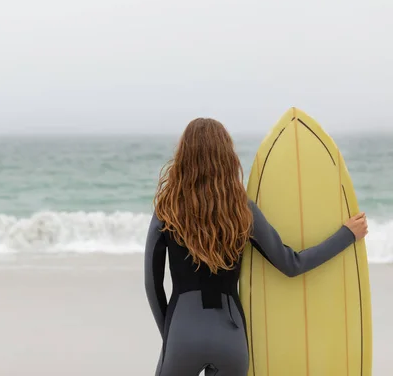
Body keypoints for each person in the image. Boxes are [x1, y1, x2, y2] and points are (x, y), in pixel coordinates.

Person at [144, 118, 368, 376]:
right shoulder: (242, 210)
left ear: (183, 155)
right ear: (227, 156)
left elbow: (152, 284)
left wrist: (171, 336)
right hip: (231, 340)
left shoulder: (167, 209)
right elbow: (291, 264)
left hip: (182, 335)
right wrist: (346, 235)